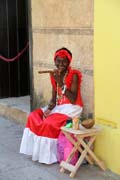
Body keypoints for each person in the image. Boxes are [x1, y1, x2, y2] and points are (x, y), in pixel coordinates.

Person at [20, 47, 83, 164]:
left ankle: (50, 157)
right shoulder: (53, 75)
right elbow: (54, 98)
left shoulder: (74, 75)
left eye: (64, 61)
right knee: (34, 116)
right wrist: (49, 109)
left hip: (72, 108)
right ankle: (37, 153)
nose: (61, 64)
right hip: (59, 107)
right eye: (58, 61)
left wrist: (60, 81)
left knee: (48, 123)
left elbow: (73, 99)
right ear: (55, 61)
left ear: (69, 62)